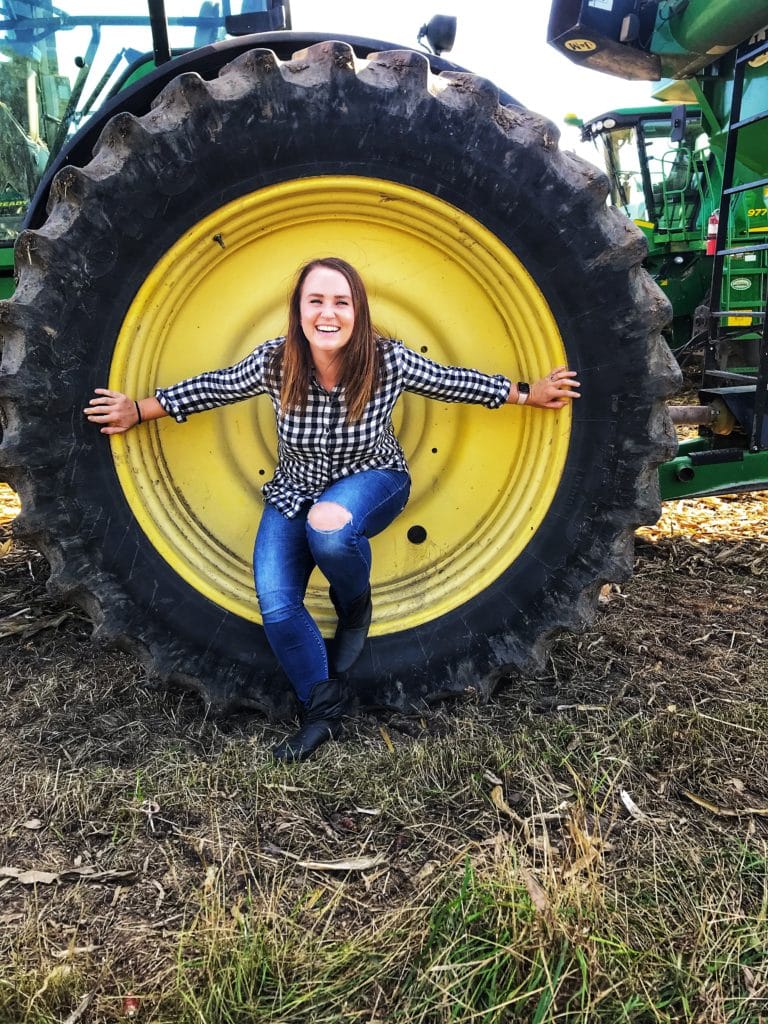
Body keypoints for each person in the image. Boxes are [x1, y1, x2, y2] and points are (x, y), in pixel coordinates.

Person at [85, 256, 581, 762]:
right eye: (315, 301)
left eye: (341, 302)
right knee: (277, 606)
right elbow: (214, 387)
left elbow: (454, 382)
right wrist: (139, 410)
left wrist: (528, 393)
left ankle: (354, 609)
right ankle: (323, 710)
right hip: (292, 491)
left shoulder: (388, 360)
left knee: (328, 526)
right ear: (299, 311)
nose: (328, 313)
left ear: (358, 311)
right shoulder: (275, 363)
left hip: (375, 481)